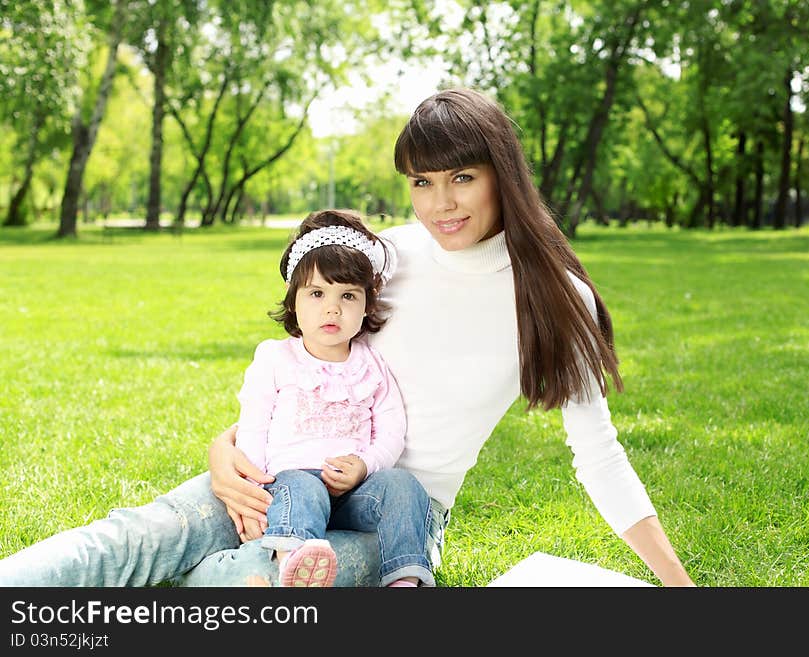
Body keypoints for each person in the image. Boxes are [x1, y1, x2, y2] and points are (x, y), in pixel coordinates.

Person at [0, 87, 694, 587]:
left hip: (394, 518)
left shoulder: (552, 299)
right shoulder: (384, 259)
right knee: (142, 536)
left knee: (251, 581)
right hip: (280, 474)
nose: (441, 203)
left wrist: (680, 588)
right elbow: (309, 364)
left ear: (501, 175)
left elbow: (599, 459)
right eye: (422, 181)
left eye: (462, 177)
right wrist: (224, 449)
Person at [233, 208, 431, 588]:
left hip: (355, 490)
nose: (332, 308)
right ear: (294, 301)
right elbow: (253, 426)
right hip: (288, 483)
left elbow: (391, 431)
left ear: (367, 305)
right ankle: (296, 561)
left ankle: (404, 579)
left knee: (403, 486)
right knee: (302, 489)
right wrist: (256, 488)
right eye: (317, 293)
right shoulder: (276, 358)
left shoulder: (372, 365)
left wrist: (365, 465)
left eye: (348, 296)